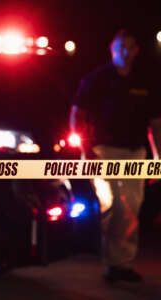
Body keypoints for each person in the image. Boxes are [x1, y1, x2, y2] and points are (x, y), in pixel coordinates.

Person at [70, 29, 161, 282]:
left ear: (136, 51)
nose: (125, 52)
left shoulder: (145, 82)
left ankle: (123, 263)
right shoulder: (97, 79)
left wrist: (158, 158)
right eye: (120, 47)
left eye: (130, 47)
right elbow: (77, 115)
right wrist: (85, 151)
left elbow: (156, 124)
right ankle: (111, 262)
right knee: (114, 205)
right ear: (112, 49)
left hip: (135, 154)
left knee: (131, 208)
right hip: (103, 152)